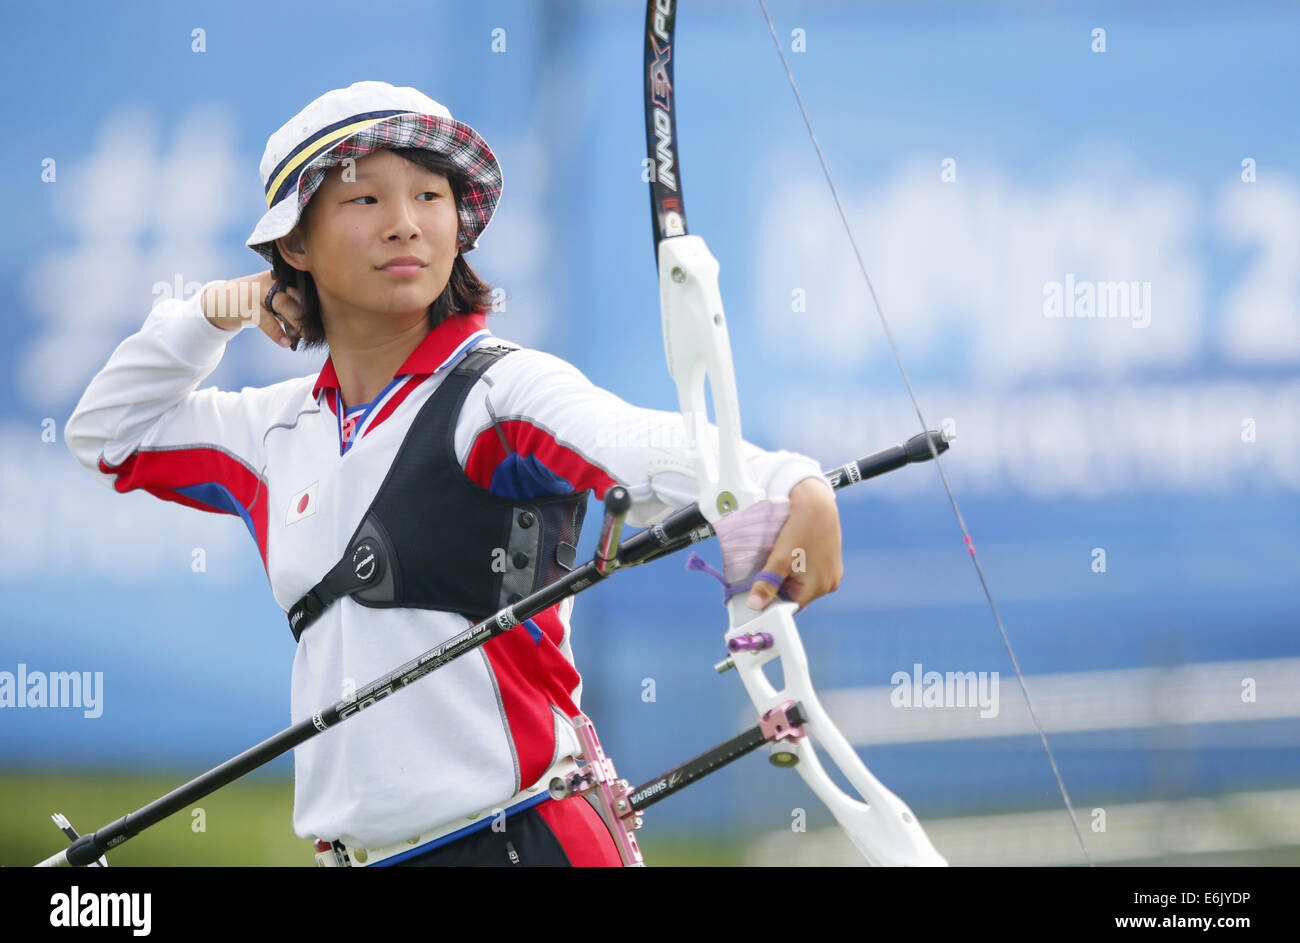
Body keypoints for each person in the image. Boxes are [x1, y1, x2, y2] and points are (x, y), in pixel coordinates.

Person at [64, 80, 843, 867]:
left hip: (525, 841)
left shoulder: (500, 393)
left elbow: (642, 446)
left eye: (430, 195)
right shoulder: (272, 431)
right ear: (294, 246)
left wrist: (788, 485)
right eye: (363, 200)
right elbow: (107, 436)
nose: (405, 224)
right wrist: (208, 313)